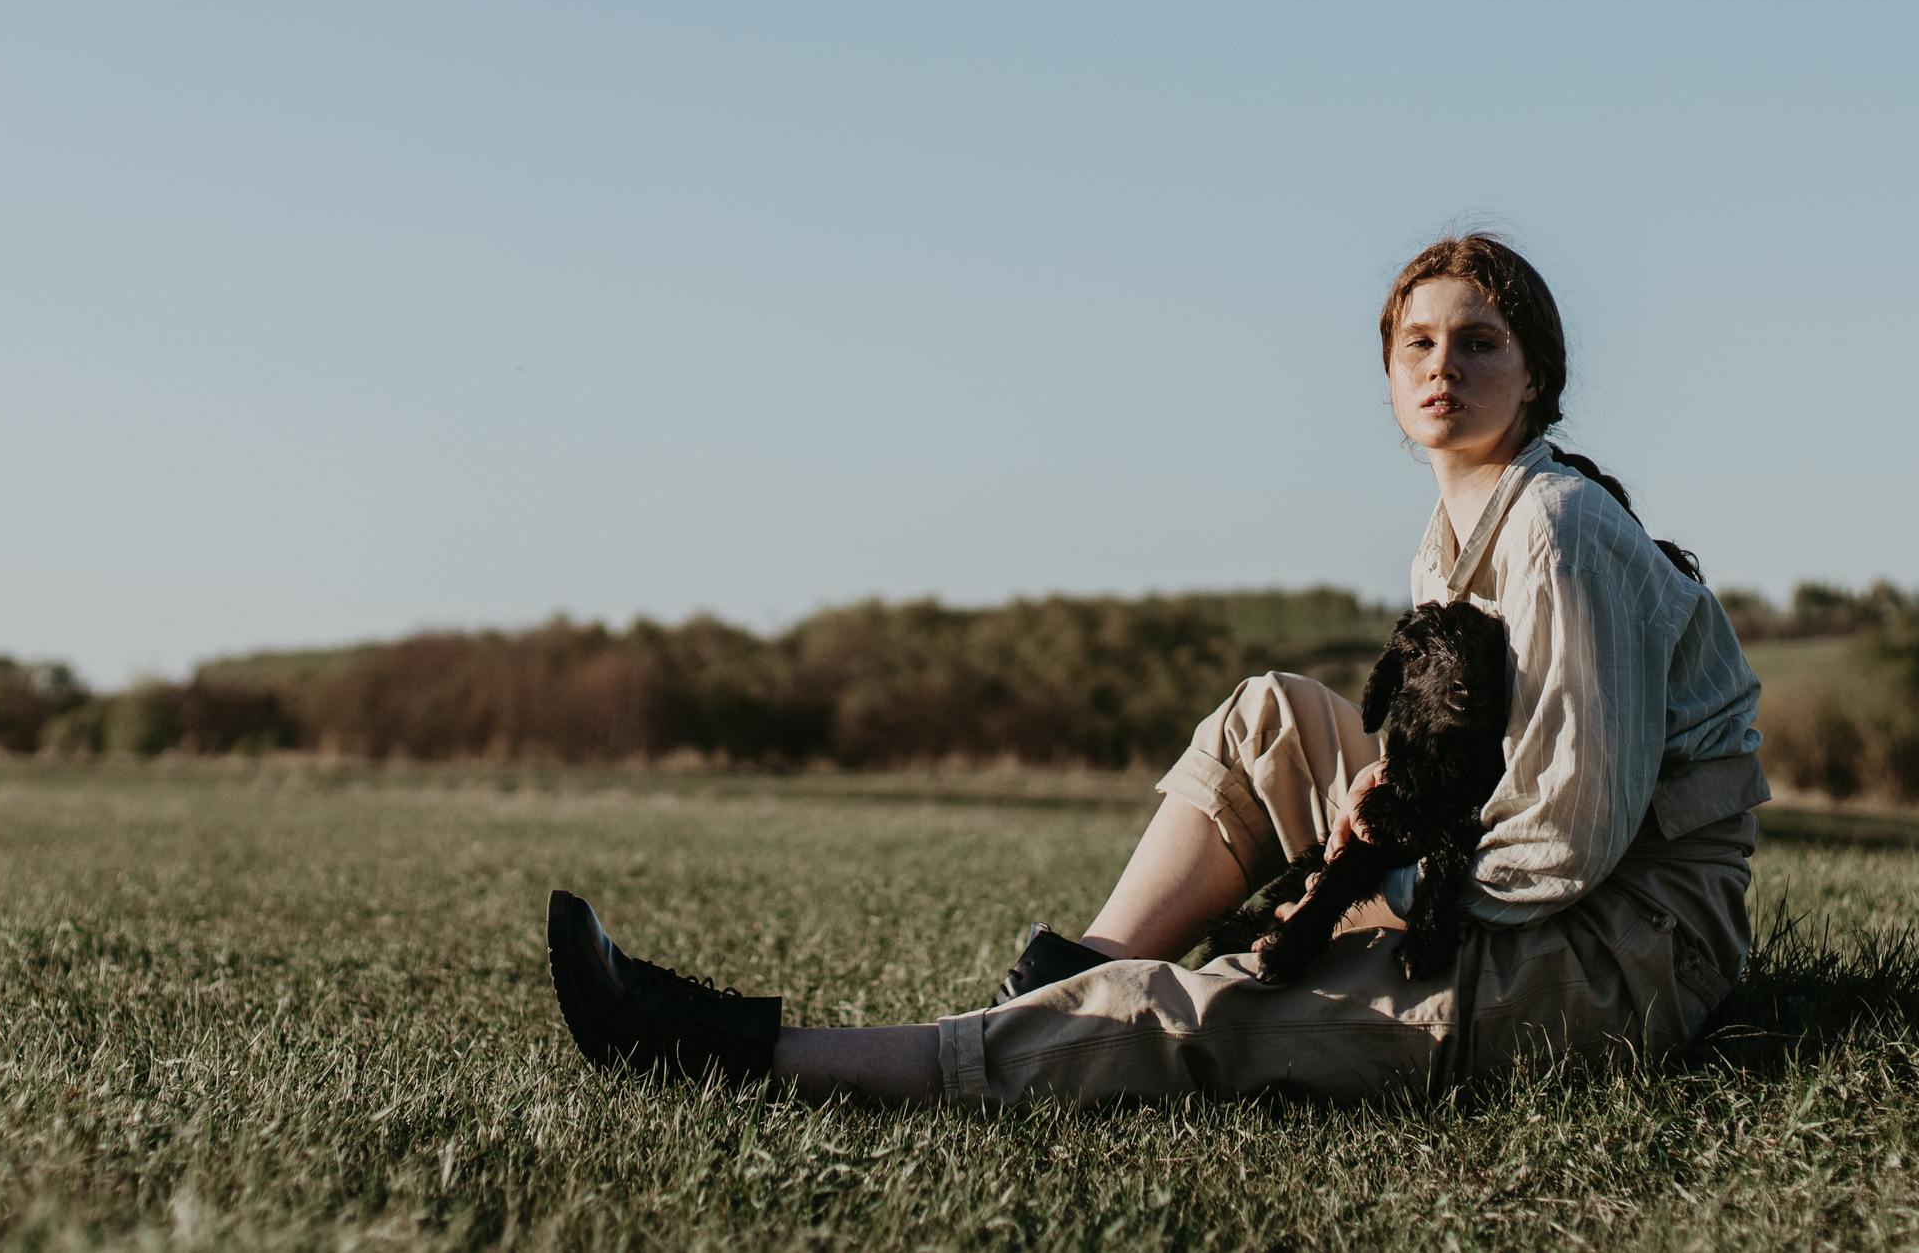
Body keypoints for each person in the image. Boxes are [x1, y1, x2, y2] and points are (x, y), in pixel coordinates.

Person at [548, 233, 1768, 1105]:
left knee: (1212, 1010)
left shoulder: (1556, 525)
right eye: (1416, 344)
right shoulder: (1456, 534)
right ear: (1390, 383)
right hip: (1560, 894)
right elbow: (1468, 748)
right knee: (1274, 721)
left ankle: (749, 1055)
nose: (1443, 364)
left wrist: (1377, 885)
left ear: (1535, 373)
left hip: (1627, 951)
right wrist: (1378, 809)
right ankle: (1067, 978)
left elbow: (1574, 830)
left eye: (1479, 341)